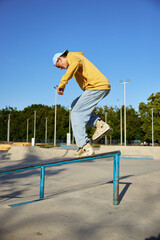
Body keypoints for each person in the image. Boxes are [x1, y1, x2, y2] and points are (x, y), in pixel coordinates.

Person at [52, 50, 112, 157]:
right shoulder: (77, 58)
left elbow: (71, 69)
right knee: (74, 105)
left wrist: (62, 84)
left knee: (75, 113)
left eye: (59, 66)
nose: (61, 69)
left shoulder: (72, 57)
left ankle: (84, 146)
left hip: (96, 87)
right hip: (99, 87)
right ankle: (100, 125)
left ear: (60, 59)